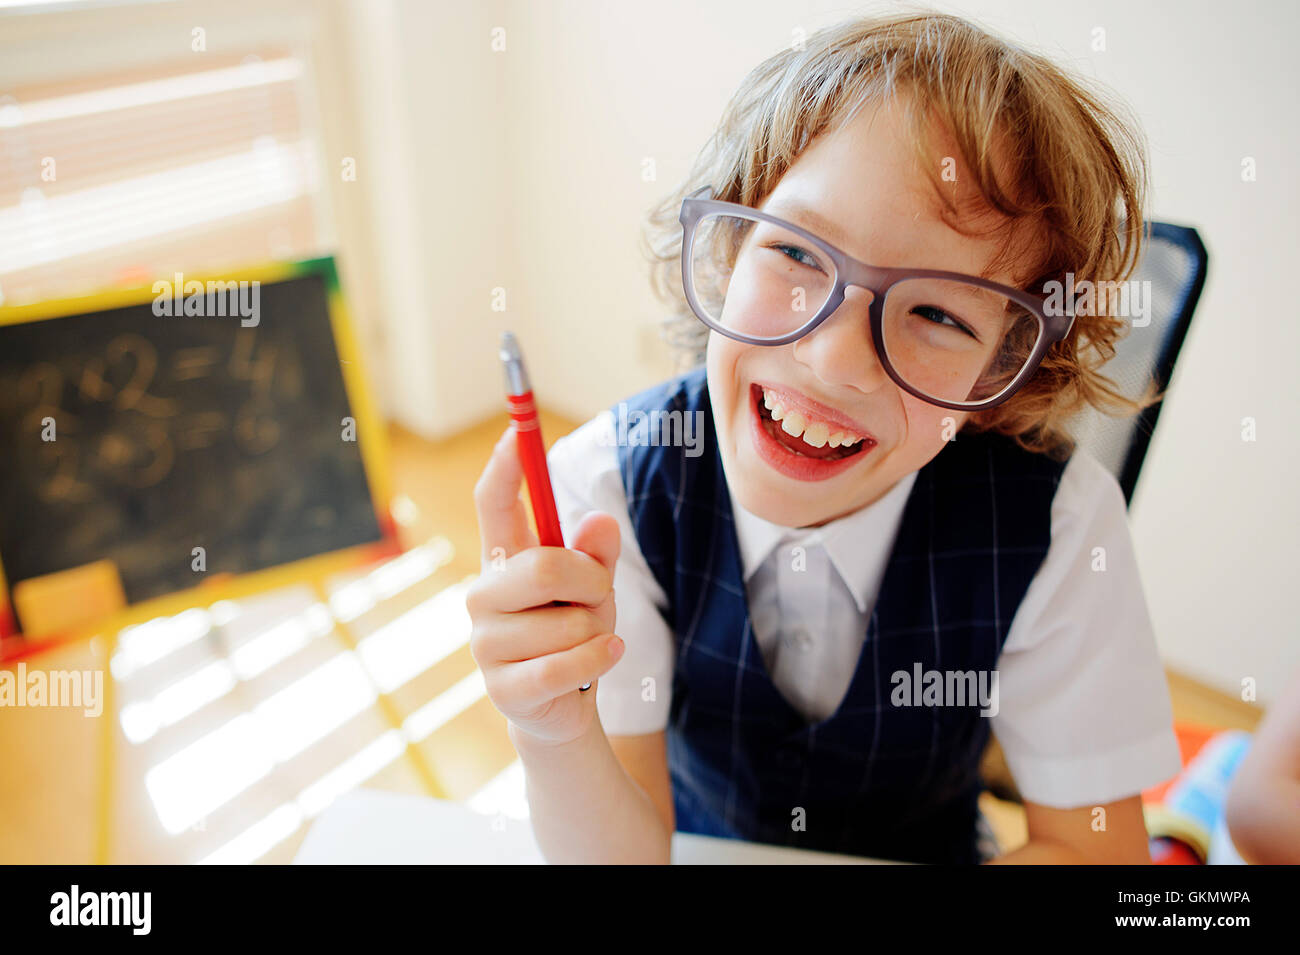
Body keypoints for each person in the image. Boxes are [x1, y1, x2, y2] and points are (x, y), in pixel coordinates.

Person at [468, 12, 1180, 864]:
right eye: (799, 254)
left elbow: (1098, 851)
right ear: (729, 248)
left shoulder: (1057, 522)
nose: (834, 359)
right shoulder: (613, 493)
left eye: (938, 313)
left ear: (1001, 378)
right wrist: (553, 732)